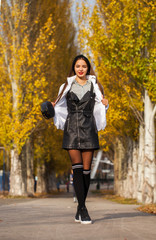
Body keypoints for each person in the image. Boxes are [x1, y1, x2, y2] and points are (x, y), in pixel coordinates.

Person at [51, 55, 109, 224]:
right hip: (71, 130)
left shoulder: (95, 85)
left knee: (86, 171)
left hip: (89, 129)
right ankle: (83, 209)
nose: (81, 69)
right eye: (78, 66)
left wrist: (106, 103)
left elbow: (101, 104)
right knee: (76, 169)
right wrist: (52, 106)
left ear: (88, 68)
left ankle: (79, 209)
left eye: (84, 66)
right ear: (74, 68)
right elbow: (59, 104)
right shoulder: (66, 85)